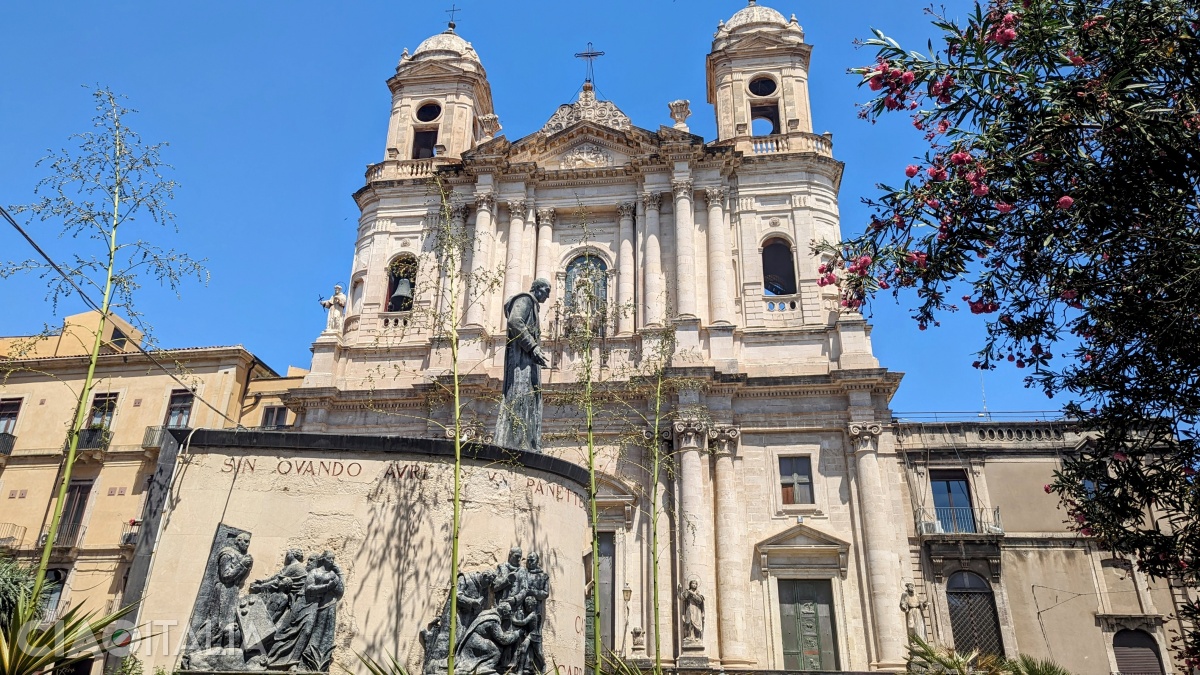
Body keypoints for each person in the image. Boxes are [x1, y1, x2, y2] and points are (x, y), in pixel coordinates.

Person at [495, 279, 551, 452]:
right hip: (521, 364)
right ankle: (517, 442)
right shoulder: (525, 299)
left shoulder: (532, 305)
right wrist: (533, 347)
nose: (549, 295)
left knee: (529, 399)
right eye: (547, 290)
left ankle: (525, 441)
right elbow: (514, 321)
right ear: (537, 288)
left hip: (527, 362)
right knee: (521, 397)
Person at [681, 579, 704, 644]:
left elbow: (699, 600)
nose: (694, 585)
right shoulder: (687, 592)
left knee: (696, 623)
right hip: (689, 609)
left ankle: (697, 637)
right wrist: (679, 590)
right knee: (688, 623)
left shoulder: (698, 593)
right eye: (692, 583)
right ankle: (689, 636)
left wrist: (692, 594)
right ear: (690, 585)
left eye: (695, 584)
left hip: (696, 610)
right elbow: (682, 597)